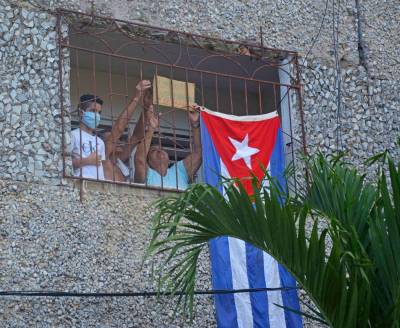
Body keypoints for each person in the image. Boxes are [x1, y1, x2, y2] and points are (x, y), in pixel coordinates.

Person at [134, 105, 202, 190]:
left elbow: (198, 154)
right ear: (149, 162)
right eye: (153, 151)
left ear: (169, 159)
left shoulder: (179, 171)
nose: (159, 150)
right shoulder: (148, 174)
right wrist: (151, 128)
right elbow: (139, 159)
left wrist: (195, 125)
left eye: (162, 149)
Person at [102, 80, 153, 182]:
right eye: (112, 140)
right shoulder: (101, 161)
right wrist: (136, 97)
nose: (118, 141)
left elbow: (137, 136)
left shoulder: (119, 162)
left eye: (118, 140)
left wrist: (146, 108)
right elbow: (118, 129)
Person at [71, 94, 106, 180]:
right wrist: (86, 161)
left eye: (99, 112)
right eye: (93, 111)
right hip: (81, 183)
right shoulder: (73, 135)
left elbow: (102, 167)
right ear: (81, 113)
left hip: (99, 185)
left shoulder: (100, 141)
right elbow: (63, 163)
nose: (96, 115)